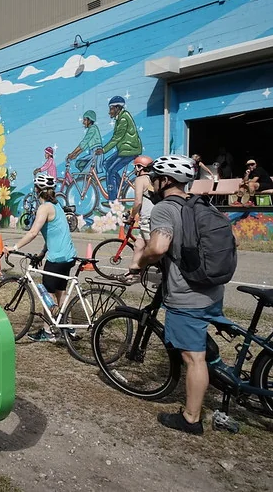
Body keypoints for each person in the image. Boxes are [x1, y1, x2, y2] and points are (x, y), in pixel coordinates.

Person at [135, 155, 228, 435]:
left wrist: (139, 260)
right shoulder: (199, 204)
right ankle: (223, 377)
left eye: (155, 178)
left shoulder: (165, 209)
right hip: (212, 289)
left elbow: (159, 247)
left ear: (166, 180)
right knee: (200, 341)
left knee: (192, 358)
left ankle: (191, 418)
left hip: (187, 295)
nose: (152, 183)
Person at [4, 174, 77, 342]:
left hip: (57, 258)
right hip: (68, 256)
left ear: (37, 190)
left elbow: (33, 232)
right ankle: (69, 328)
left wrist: (14, 247)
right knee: (61, 292)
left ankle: (48, 332)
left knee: (47, 293)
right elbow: (54, 233)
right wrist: (43, 253)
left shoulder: (44, 208)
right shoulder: (57, 205)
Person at [95, 96, 142, 202]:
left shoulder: (123, 118)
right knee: (106, 164)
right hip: (124, 150)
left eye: (111, 108)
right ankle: (123, 186)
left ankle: (113, 200)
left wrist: (103, 150)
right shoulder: (120, 117)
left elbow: (116, 138)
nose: (109, 112)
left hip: (130, 150)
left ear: (117, 108)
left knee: (110, 171)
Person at [121, 156, 155, 283]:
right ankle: (133, 273)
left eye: (135, 166)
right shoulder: (152, 179)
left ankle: (170, 276)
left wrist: (131, 216)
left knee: (155, 251)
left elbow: (138, 202)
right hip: (149, 218)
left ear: (140, 167)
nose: (134, 169)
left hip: (148, 219)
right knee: (138, 245)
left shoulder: (140, 179)